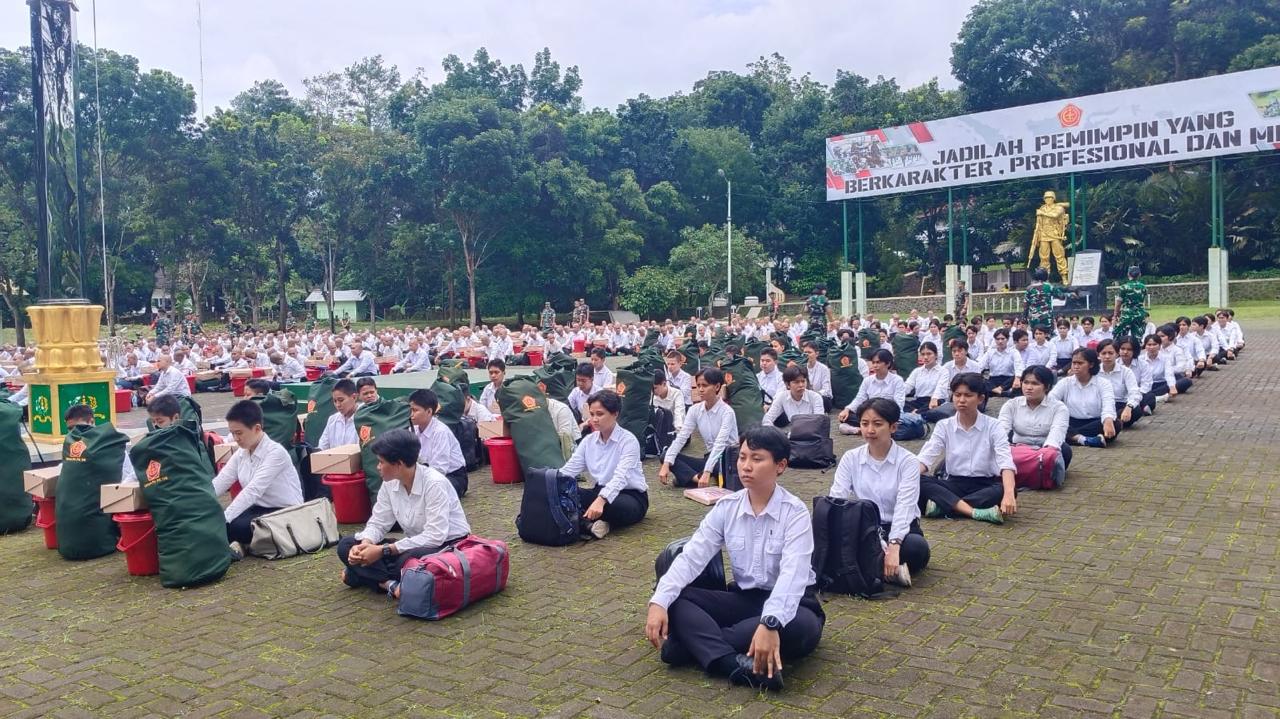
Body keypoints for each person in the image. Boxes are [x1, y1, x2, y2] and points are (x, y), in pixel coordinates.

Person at [646, 427, 824, 692]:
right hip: (744, 599)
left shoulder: (794, 513)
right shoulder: (727, 507)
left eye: (757, 458)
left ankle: (691, 644)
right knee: (676, 599)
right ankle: (733, 664)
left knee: (800, 629)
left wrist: (770, 622)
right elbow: (692, 557)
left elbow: (793, 575)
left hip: (795, 604)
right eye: (742, 457)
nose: (746, 466)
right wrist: (658, 602)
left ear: (780, 466)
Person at [337, 429, 471, 596]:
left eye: (381, 462)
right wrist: (365, 544)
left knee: (404, 562)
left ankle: (362, 576)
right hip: (415, 542)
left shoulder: (434, 484)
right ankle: (389, 584)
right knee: (346, 545)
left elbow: (435, 536)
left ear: (399, 464)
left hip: (447, 544)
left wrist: (383, 550)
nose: (378, 467)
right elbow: (378, 522)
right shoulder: (389, 483)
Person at [829, 398, 928, 584]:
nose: (870, 430)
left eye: (877, 424)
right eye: (864, 424)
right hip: (866, 528)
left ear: (893, 427)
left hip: (901, 528)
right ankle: (884, 571)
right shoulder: (851, 458)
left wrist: (894, 545)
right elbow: (837, 498)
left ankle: (865, 568)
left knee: (916, 549)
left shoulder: (908, 462)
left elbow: (905, 506)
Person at [918, 373, 1016, 525]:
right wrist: (906, 478)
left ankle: (943, 506)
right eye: (957, 395)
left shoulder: (994, 426)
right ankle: (974, 512)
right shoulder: (944, 426)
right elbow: (926, 457)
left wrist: (1009, 494)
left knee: (1006, 490)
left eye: (968, 395)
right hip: (953, 483)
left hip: (984, 485)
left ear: (980, 399)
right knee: (917, 481)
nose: (961, 400)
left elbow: (1006, 462)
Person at [212, 400, 305, 557]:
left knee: (230, 525)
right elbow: (220, 482)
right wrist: (200, 504)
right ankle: (243, 545)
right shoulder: (241, 453)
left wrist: (225, 518)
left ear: (257, 428)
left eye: (239, 433)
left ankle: (242, 545)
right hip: (258, 509)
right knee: (216, 519)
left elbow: (253, 491)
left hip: (284, 511)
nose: (235, 438)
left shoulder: (276, 453)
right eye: (232, 433)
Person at [558, 390, 648, 540]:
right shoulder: (588, 441)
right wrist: (552, 482)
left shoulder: (628, 441)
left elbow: (621, 477)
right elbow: (570, 468)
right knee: (562, 493)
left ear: (615, 414)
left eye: (600, 414)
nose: (594, 419)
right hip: (599, 491)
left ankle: (582, 522)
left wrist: (601, 500)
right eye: (592, 414)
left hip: (630, 496)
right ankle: (589, 525)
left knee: (613, 507)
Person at [659, 368, 739, 489]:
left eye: (705, 386)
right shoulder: (695, 410)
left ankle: (690, 478)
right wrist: (666, 463)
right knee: (666, 455)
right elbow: (681, 437)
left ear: (717, 387)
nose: (700, 389)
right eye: (698, 385)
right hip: (709, 458)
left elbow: (720, 444)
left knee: (718, 465)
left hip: (726, 461)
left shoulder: (727, 412)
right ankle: (696, 479)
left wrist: (707, 471)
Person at [997, 365, 1071, 486]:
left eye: (1035, 384)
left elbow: (1057, 433)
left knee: (1065, 450)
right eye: (1026, 382)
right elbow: (1001, 430)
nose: (1029, 387)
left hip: (1045, 450)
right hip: (1018, 449)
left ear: (1047, 387)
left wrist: (1045, 453)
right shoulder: (1011, 405)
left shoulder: (1059, 408)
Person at [1050, 348, 1117, 448]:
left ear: (1091, 364)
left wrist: (1108, 420)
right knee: (1053, 422)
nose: (1076, 367)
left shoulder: (1103, 383)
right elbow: (1050, 400)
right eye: (1074, 363)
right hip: (1071, 422)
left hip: (1094, 422)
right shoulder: (1065, 382)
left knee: (1116, 423)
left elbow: (1108, 404)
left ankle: (1072, 438)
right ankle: (1085, 440)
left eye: (1080, 363)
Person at [408, 389, 468, 498]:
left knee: (433, 493)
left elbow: (440, 469)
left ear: (429, 412)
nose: (411, 415)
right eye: (410, 410)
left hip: (452, 476)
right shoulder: (413, 430)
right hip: (425, 474)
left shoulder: (440, 432)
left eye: (415, 410)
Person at [839, 349, 905, 435]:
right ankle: (868, 429)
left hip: (888, 416)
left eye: (878, 362)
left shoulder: (897, 380)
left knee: (905, 426)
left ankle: (863, 429)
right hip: (870, 415)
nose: (875, 366)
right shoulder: (867, 380)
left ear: (888, 363)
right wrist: (847, 409)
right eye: (873, 363)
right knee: (846, 417)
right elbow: (860, 398)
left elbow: (899, 402)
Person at [1096, 339, 1144, 429]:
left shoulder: (1126, 371)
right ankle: (1112, 423)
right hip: (1100, 405)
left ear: (1117, 354)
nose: (1107, 356)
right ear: (1099, 355)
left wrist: (1129, 407)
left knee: (1136, 410)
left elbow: (1135, 392)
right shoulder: (1094, 372)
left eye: (1111, 353)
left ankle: (1108, 423)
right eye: (1104, 353)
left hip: (1120, 404)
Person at [980, 329, 1024, 397]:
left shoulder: (1014, 352)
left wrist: (1017, 378)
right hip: (993, 380)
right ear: (995, 340)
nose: (1000, 341)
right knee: (980, 379)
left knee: (1018, 377)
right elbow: (980, 366)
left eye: (1003, 339)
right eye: (998, 339)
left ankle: (995, 390)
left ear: (1007, 339)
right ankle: (1000, 392)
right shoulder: (990, 353)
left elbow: (1019, 365)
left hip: (1008, 380)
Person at [903, 342, 944, 414]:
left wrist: (934, 398)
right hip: (919, 401)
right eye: (923, 354)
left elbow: (940, 388)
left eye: (929, 354)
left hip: (935, 400)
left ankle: (916, 413)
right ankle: (917, 413)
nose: (925, 357)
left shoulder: (943, 371)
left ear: (936, 355)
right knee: (897, 402)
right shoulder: (917, 371)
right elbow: (908, 386)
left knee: (936, 405)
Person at [318, 379, 359, 450]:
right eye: (335, 401)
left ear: (354, 397)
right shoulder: (332, 420)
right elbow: (322, 447)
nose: (338, 405)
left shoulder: (364, 419)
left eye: (341, 400)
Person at [1112, 266, 1149, 342]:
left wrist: (1115, 315)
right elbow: (1142, 301)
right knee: (1137, 338)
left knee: (1119, 337)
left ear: (1128, 274)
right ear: (1139, 274)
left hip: (1127, 314)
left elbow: (1118, 303)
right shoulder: (1143, 287)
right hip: (1140, 314)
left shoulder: (1124, 287)